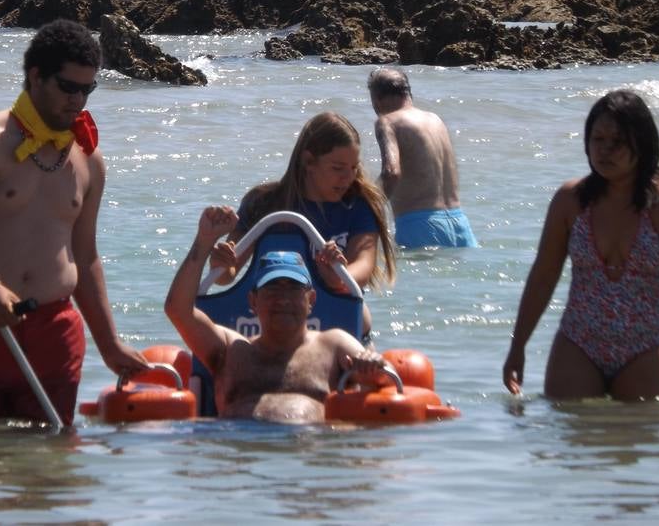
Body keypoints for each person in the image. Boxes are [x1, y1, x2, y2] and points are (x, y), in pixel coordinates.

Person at [0, 19, 146, 424]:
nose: (78, 101)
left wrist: (109, 344)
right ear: (36, 76)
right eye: (68, 87)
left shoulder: (89, 160)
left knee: (51, 475)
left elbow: (86, 253)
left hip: (53, 333)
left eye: (88, 89)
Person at [502, 89, 659, 402]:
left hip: (647, 346)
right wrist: (517, 346)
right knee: (566, 436)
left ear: (641, 143)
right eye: (597, 140)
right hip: (578, 342)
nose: (605, 150)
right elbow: (543, 277)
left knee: (636, 440)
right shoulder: (570, 201)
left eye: (617, 142)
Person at [166, 205, 396, 422]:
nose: (283, 298)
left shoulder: (333, 343)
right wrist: (204, 242)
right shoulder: (230, 350)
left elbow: (387, 377)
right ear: (253, 302)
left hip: (311, 453)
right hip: (241, 450)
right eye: (273, 288)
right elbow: (178, 310)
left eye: (294, 289)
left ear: (311, 300)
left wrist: (372, 366)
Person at [209, 112, 396, 341]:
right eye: (338, 168)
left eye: (354, 167)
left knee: (363, 315)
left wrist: (337, 278)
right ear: (308, 162)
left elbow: (364, 267)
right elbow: (225, 276)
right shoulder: (264, 203)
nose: (348, 177)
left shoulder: (359, 206)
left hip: (336, 319)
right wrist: (220, 261)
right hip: (271, 319)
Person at [368, 67, 476, 248]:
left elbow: (391, 173)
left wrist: (363, 208)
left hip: (421, 227)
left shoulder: (387, 122)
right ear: (408, 92)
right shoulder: (435, 120)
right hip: (460, 225)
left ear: (377, 99)